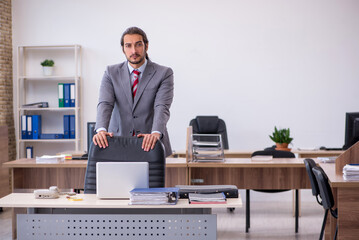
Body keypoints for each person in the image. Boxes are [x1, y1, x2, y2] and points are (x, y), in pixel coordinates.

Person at [93, 26, 174, 156]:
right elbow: (105, 103)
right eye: (128, 46)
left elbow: (162, 106)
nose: (134, 51)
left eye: (138, 45)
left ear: (146, 46)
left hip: (151, 144)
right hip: (118, 144)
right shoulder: (111, 73)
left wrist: (155, 134)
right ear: (123, 49)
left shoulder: (164, 73)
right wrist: (101, 130)